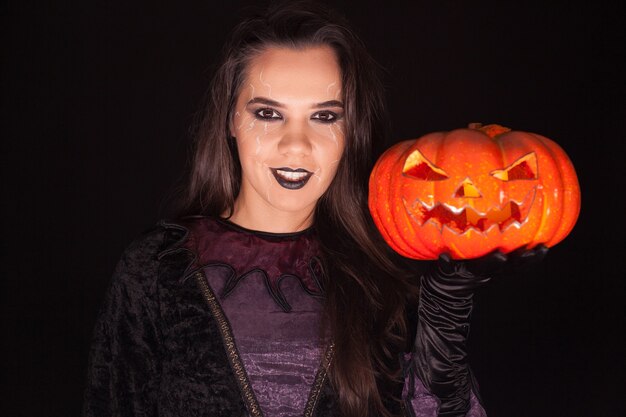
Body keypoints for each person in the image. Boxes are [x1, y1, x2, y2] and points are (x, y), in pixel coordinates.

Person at [83, 2, 545, 416]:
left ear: (350, 131)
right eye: (268, 113)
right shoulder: (155, 270)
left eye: (324, 117)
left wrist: (445, 313)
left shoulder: (384, 282)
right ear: (230, 121)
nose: (296, 145)